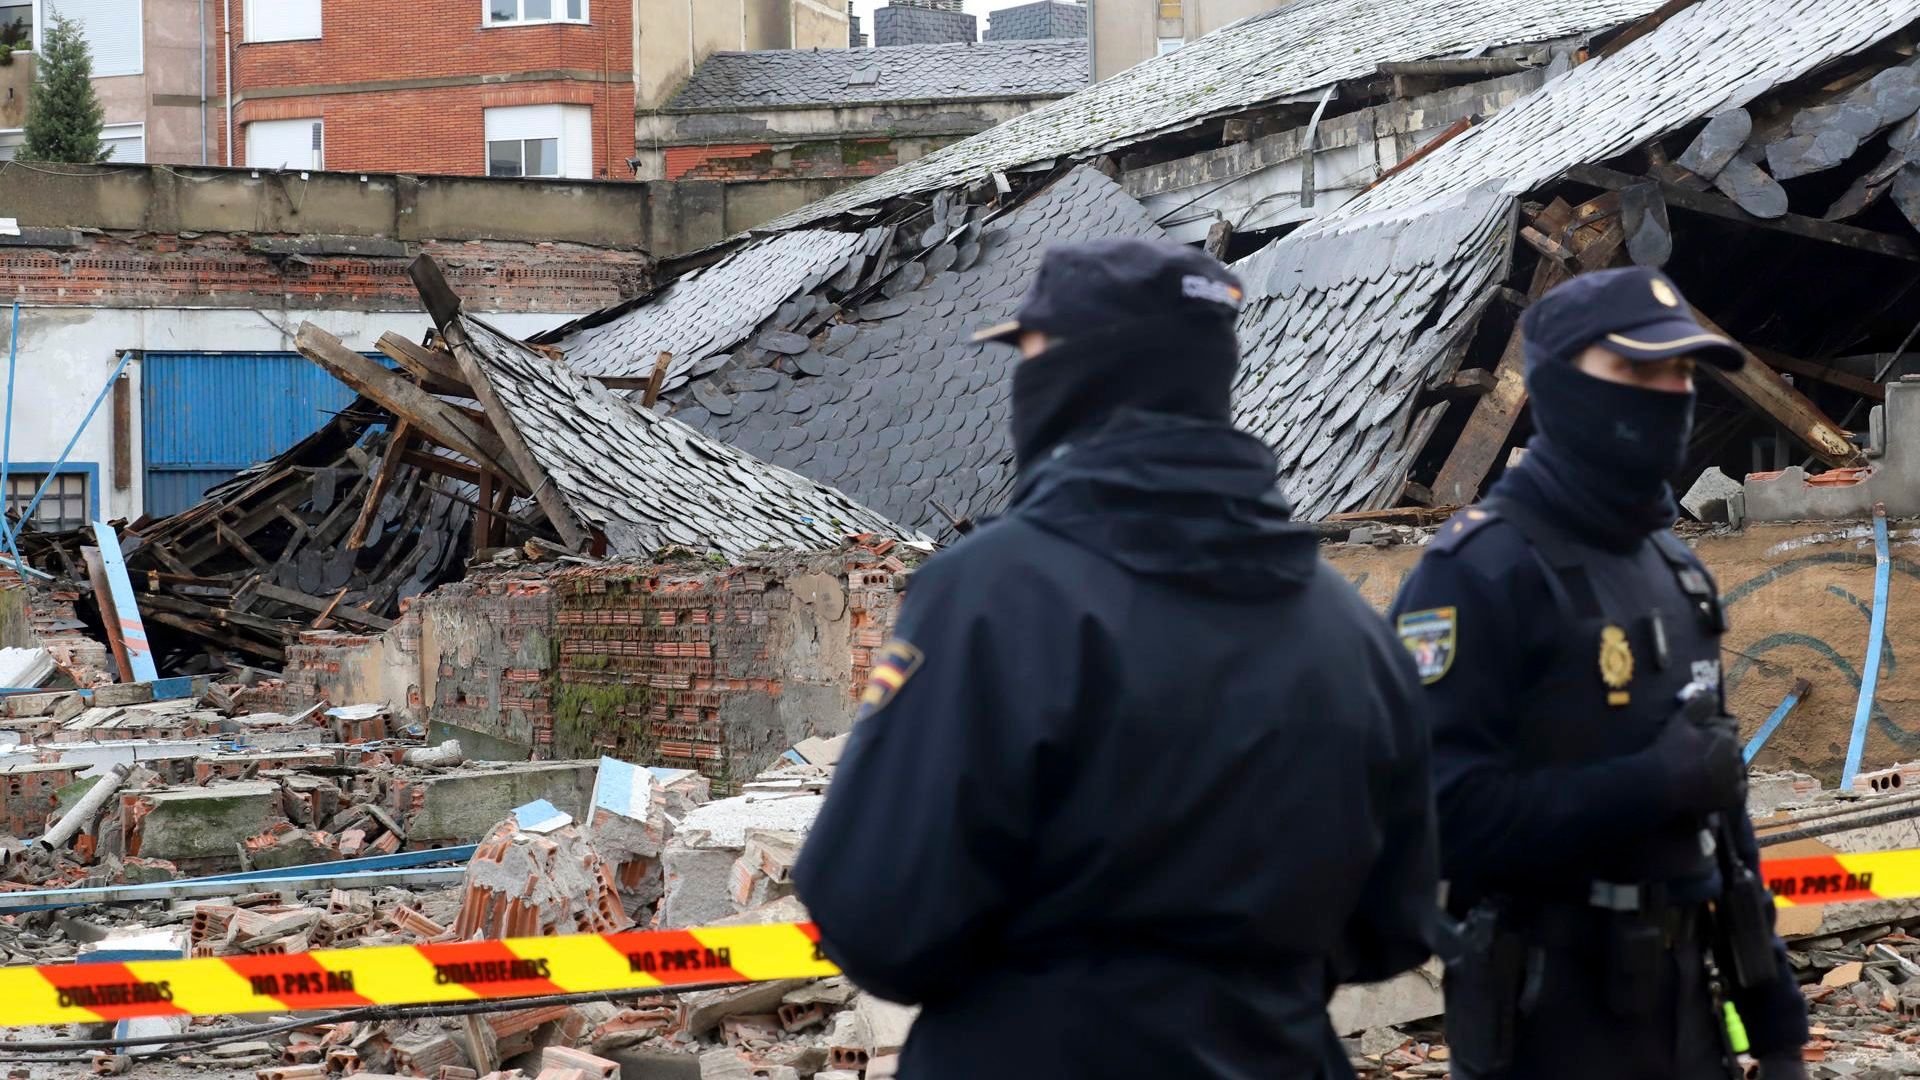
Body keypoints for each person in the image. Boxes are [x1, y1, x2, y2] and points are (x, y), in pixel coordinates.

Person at [792, 238, 1438, 1078]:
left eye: (1026, 353)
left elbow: (876, 916)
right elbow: (1397, 923)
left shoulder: (994, 596)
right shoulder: (1350, 627)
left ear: (1072, 370)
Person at [1389, 266, 1809, 1079]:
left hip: (1688, 1011)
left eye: (1681, 372)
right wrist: (1646, 784)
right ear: (1559, 386)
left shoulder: (1677, 567)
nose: (1670, 393)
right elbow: (1430, 818)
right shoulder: (1478, 573)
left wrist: (1777, 1024)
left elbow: (1721, 818)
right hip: (1548, 1019)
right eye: (1637, 372)